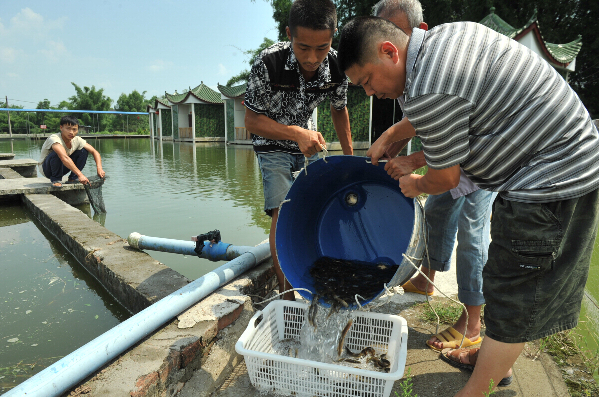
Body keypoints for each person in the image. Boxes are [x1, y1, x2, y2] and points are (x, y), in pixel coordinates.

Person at [338, 17, 599, 396]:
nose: (369, 93)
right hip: (557, 158)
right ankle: (491, 360)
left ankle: (475, 391)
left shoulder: (427, 87)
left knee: (515, 288)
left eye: (367, 81)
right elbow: (463, 113)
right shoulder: (441, 42)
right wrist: (400, 140)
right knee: (504, 276)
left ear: (390, 52)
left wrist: (414, 184)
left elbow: (444, 178)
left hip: (552, 177)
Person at [371, 0, 497, 355]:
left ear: (419, 32)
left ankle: (473, 323)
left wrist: (414, 161)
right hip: (449, 157)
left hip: (485, 157)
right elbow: (415, 121)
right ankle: (427, 278)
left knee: (474, 233)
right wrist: (392, 144)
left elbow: (464, 136)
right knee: (438, 212)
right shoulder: (403, 68)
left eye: (396, 37)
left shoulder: (441, 66)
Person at [244, 0, 353, 301]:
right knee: (284, 210)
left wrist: (349, 160)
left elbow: (339, 110)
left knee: (316, 206)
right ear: (289, 33)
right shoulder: (268, 63)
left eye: (322, 47)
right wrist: (295, 133)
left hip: (306, 145)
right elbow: (252, 121)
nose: (312, 57)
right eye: (303, 47)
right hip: (272, 145)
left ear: (332, 36)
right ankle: (286, 295)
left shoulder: (336, 65)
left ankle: (317, 275)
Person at [39, 115, 105, 187]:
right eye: (68, 129)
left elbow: (94, 152)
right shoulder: (54, 138)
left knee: (83, 151)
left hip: (62, 167)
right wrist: (80, 175)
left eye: (74, 129)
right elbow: (64, 157)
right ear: (61, 128)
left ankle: (72, 179)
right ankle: (56, 180)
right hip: (47, 169)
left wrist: (99, 169)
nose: (71, 132)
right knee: (58, 153)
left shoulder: (77, 140)